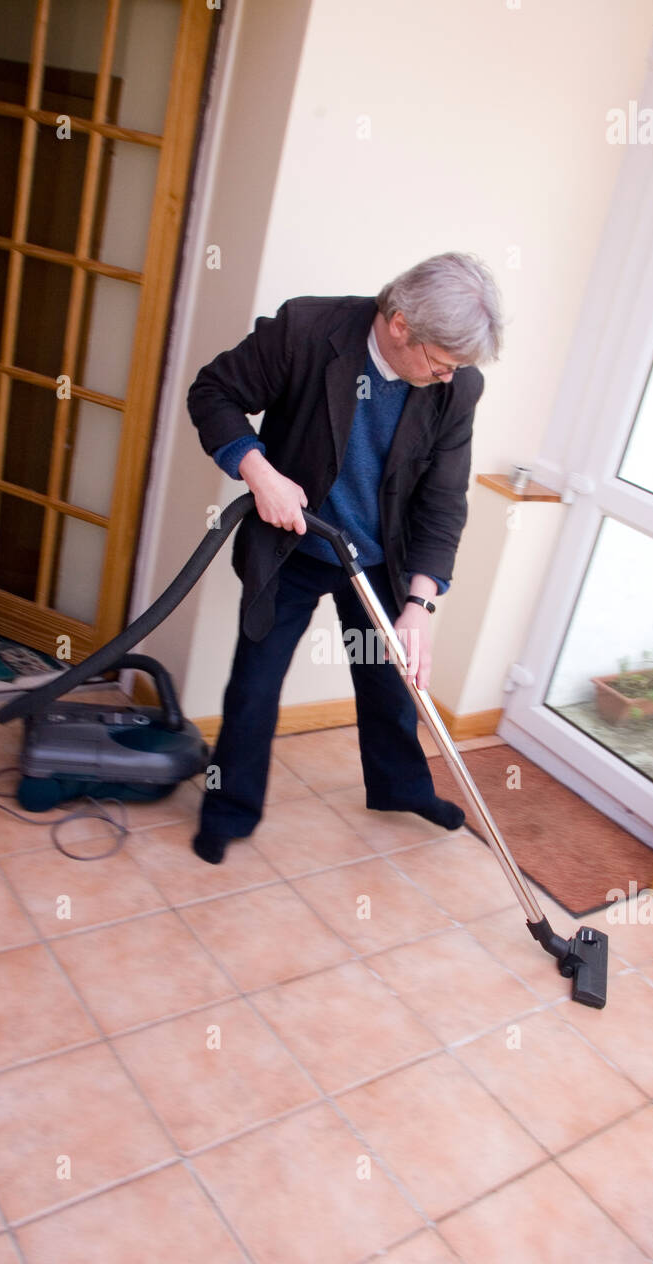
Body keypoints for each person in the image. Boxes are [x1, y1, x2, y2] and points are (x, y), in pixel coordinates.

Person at [186, 251, 503, 863]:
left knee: (389, 679)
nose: (447, 377)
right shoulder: (307, 330)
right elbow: (214, 392)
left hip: (381, 556)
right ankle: (229, 810)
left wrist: (419, 603)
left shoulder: (457, 386)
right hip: (295, 544)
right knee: (255, 684)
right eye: (441, 363)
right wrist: (260, 473)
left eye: (455, 368)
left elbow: (442, 499)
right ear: (401, 324)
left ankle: (400, 789)